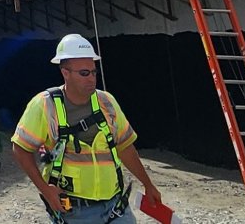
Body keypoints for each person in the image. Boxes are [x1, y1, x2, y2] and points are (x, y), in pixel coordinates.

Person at [11, 34, 160, 223]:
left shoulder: (107, 102)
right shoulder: (44, 105)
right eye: (84, 73)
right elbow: (21, 148)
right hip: (74, 212)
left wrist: (148, 184)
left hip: (116, 205)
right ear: (65, 73)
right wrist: (46, 190)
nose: (91, 78)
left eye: (93, 72)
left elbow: (124, 146)